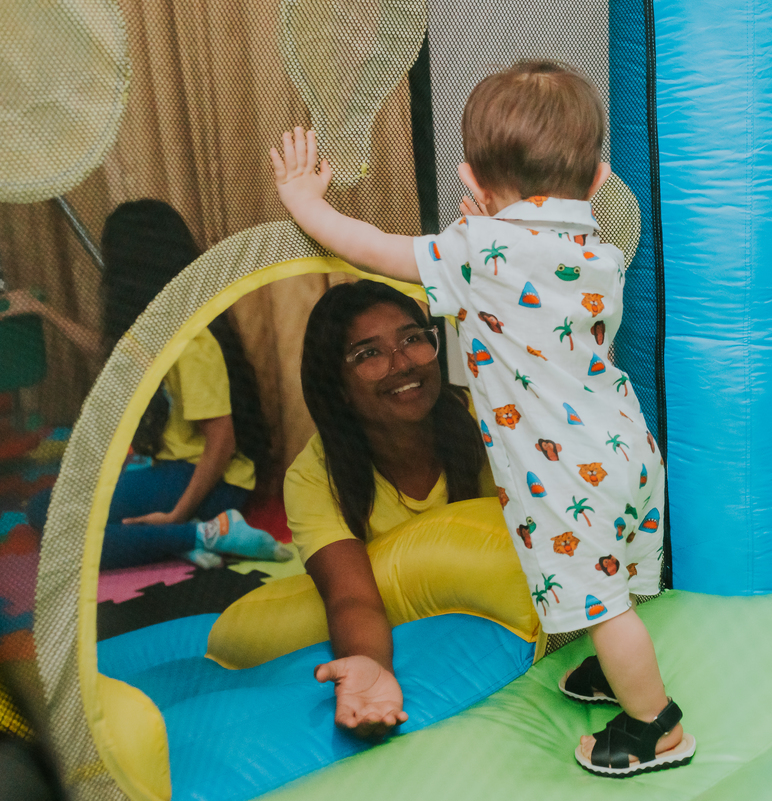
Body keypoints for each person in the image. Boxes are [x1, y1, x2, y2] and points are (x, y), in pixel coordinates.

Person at [270, 60, 693, 774]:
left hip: (567, 469)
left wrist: (306, 202)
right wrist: (492, 232)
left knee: (603, 600)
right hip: (628, 446)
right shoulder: (600, 251)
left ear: (470, 181)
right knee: (616, 577)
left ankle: (656, 724)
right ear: (596, 182)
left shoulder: (477, 253)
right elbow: (533, 287)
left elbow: (369, 247)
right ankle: (617, 673)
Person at [9, 199, 289, 569]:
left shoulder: (190, 340)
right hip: (172, 470)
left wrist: (176, 514)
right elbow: (109, 352)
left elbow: (222, 442)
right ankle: (177, 539)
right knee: (45, 508)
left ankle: (205, 533)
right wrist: (43, 311)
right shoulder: (158, 325)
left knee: (67, 535)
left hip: (211, 483)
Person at [286, 280, 494, 738]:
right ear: (336, 385)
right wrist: (370, 669)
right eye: (368, 355)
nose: (401, 364)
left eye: (412, 339)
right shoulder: (315, 475)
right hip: (411, 633)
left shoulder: (491, 420)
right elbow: (351, 596)